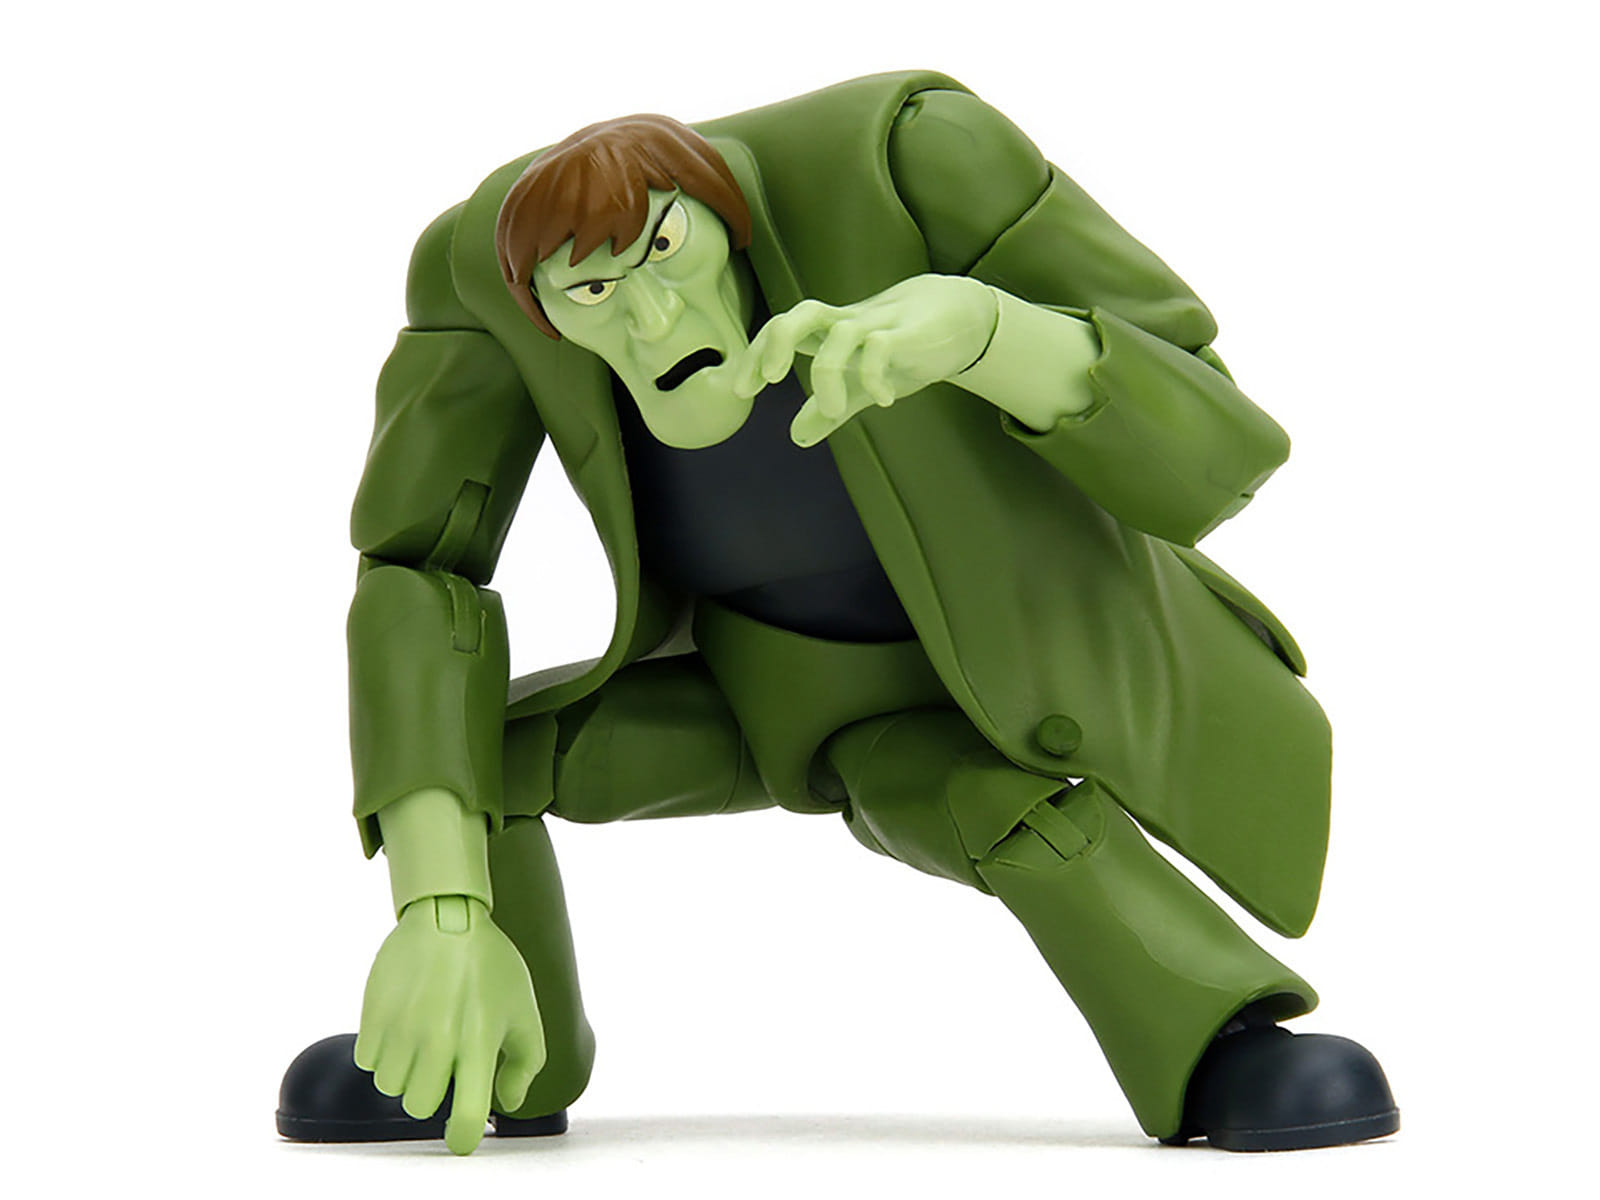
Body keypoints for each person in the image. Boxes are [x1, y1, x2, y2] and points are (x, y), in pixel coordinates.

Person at [276, 70, 1397, 1156]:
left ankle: (1214, 1042)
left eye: (664, 251)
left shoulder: (913, 161)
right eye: (596, 295)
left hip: (970, 680)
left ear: (727, 221)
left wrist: (987, 337)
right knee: (486, 764)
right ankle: (487, 1055)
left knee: (1019, 820)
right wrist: (440, 909)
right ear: (550, 314)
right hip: (748, 684)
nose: (654, 319)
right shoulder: (475, 277)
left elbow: (1218, 443)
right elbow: (417, 568)